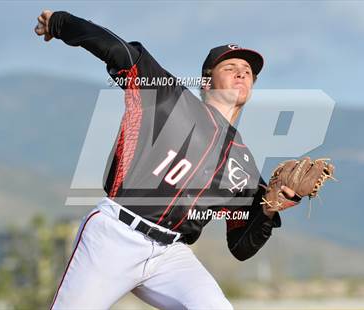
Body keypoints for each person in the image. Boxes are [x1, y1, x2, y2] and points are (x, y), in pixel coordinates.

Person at [35, 9, 300, 310]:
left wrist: (268, 209)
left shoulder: (243, 162)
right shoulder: (170, 98)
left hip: (170, 255)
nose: (241, 72)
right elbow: (120, 52)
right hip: (115, 235)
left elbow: (241, 246)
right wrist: (60, 22)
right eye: (230, 67)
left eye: (248, 71)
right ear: (206, 81)